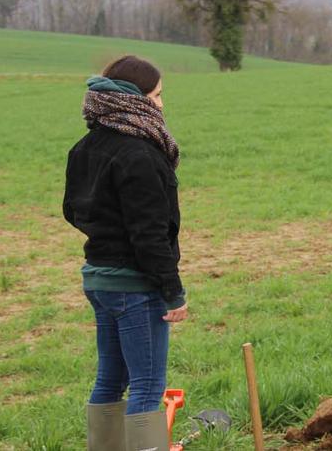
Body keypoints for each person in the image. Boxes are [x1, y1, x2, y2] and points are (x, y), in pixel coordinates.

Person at [63, 55, 189, 450]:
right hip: (136, 286)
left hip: (98, 279)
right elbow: (150, 236)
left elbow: (73, 210)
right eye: (158, 94)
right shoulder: (141, 154)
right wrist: (172, 292)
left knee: (110, 379)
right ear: (136, 98)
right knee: (148, 385)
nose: (162, 104)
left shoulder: (85, 145)